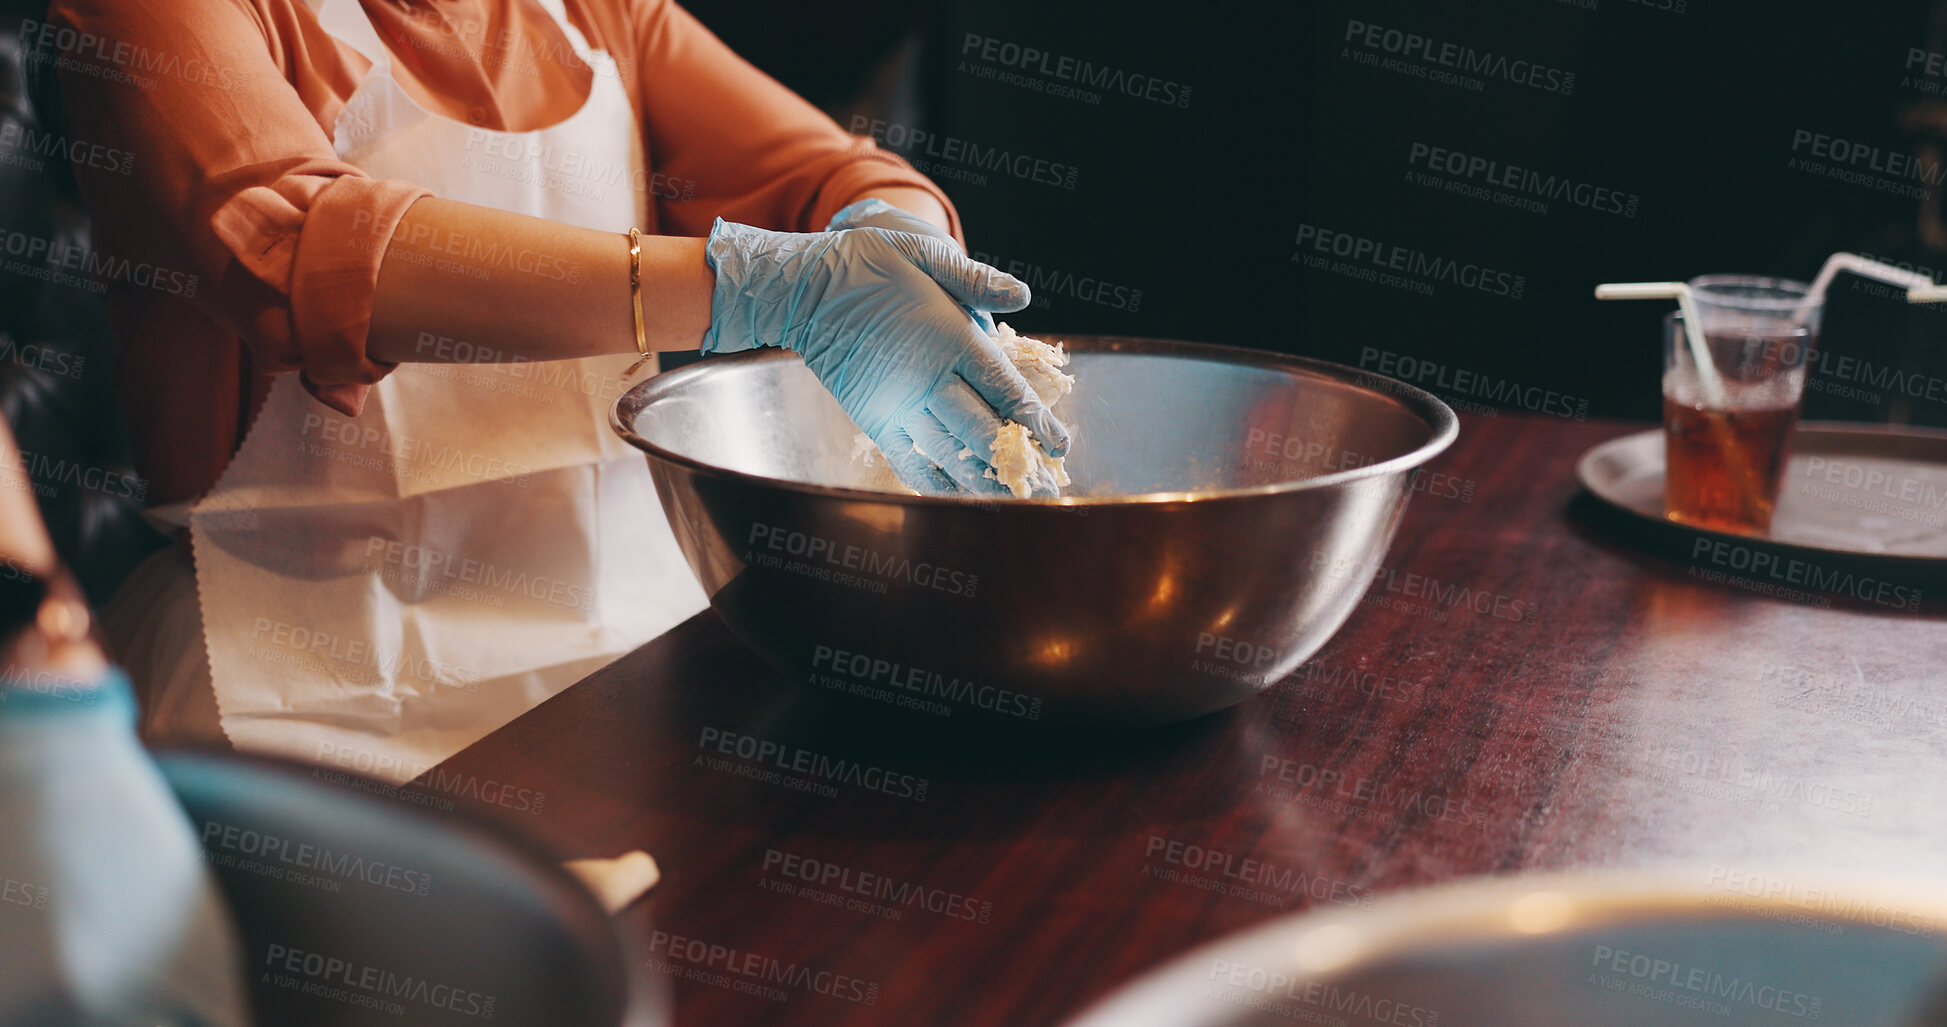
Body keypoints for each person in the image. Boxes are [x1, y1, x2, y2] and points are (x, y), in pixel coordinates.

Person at [43, 0, 1068, 778]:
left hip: (643, 643)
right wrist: (756, 287)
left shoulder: (599, 14)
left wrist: (900, 241)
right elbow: (293, 250)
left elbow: (825, 172)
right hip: (312, 678)